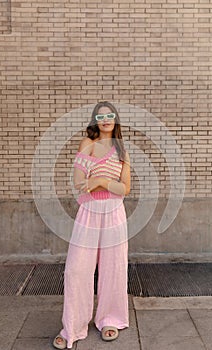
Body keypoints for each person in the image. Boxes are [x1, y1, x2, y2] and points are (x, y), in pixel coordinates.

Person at [53, 101, 131, 349]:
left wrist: (99, 180)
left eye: (110, 115)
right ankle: (73, 326)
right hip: (88, 212)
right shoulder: (86, 145)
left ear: (115, 119)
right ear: (94, 120)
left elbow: (124, 189)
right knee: (76, 269)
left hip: (114, 213)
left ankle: (111, 319)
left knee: (113, 268)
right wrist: (101, 181)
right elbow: (78, 183)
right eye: (101, 116)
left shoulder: (122, 151)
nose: (106, 119)